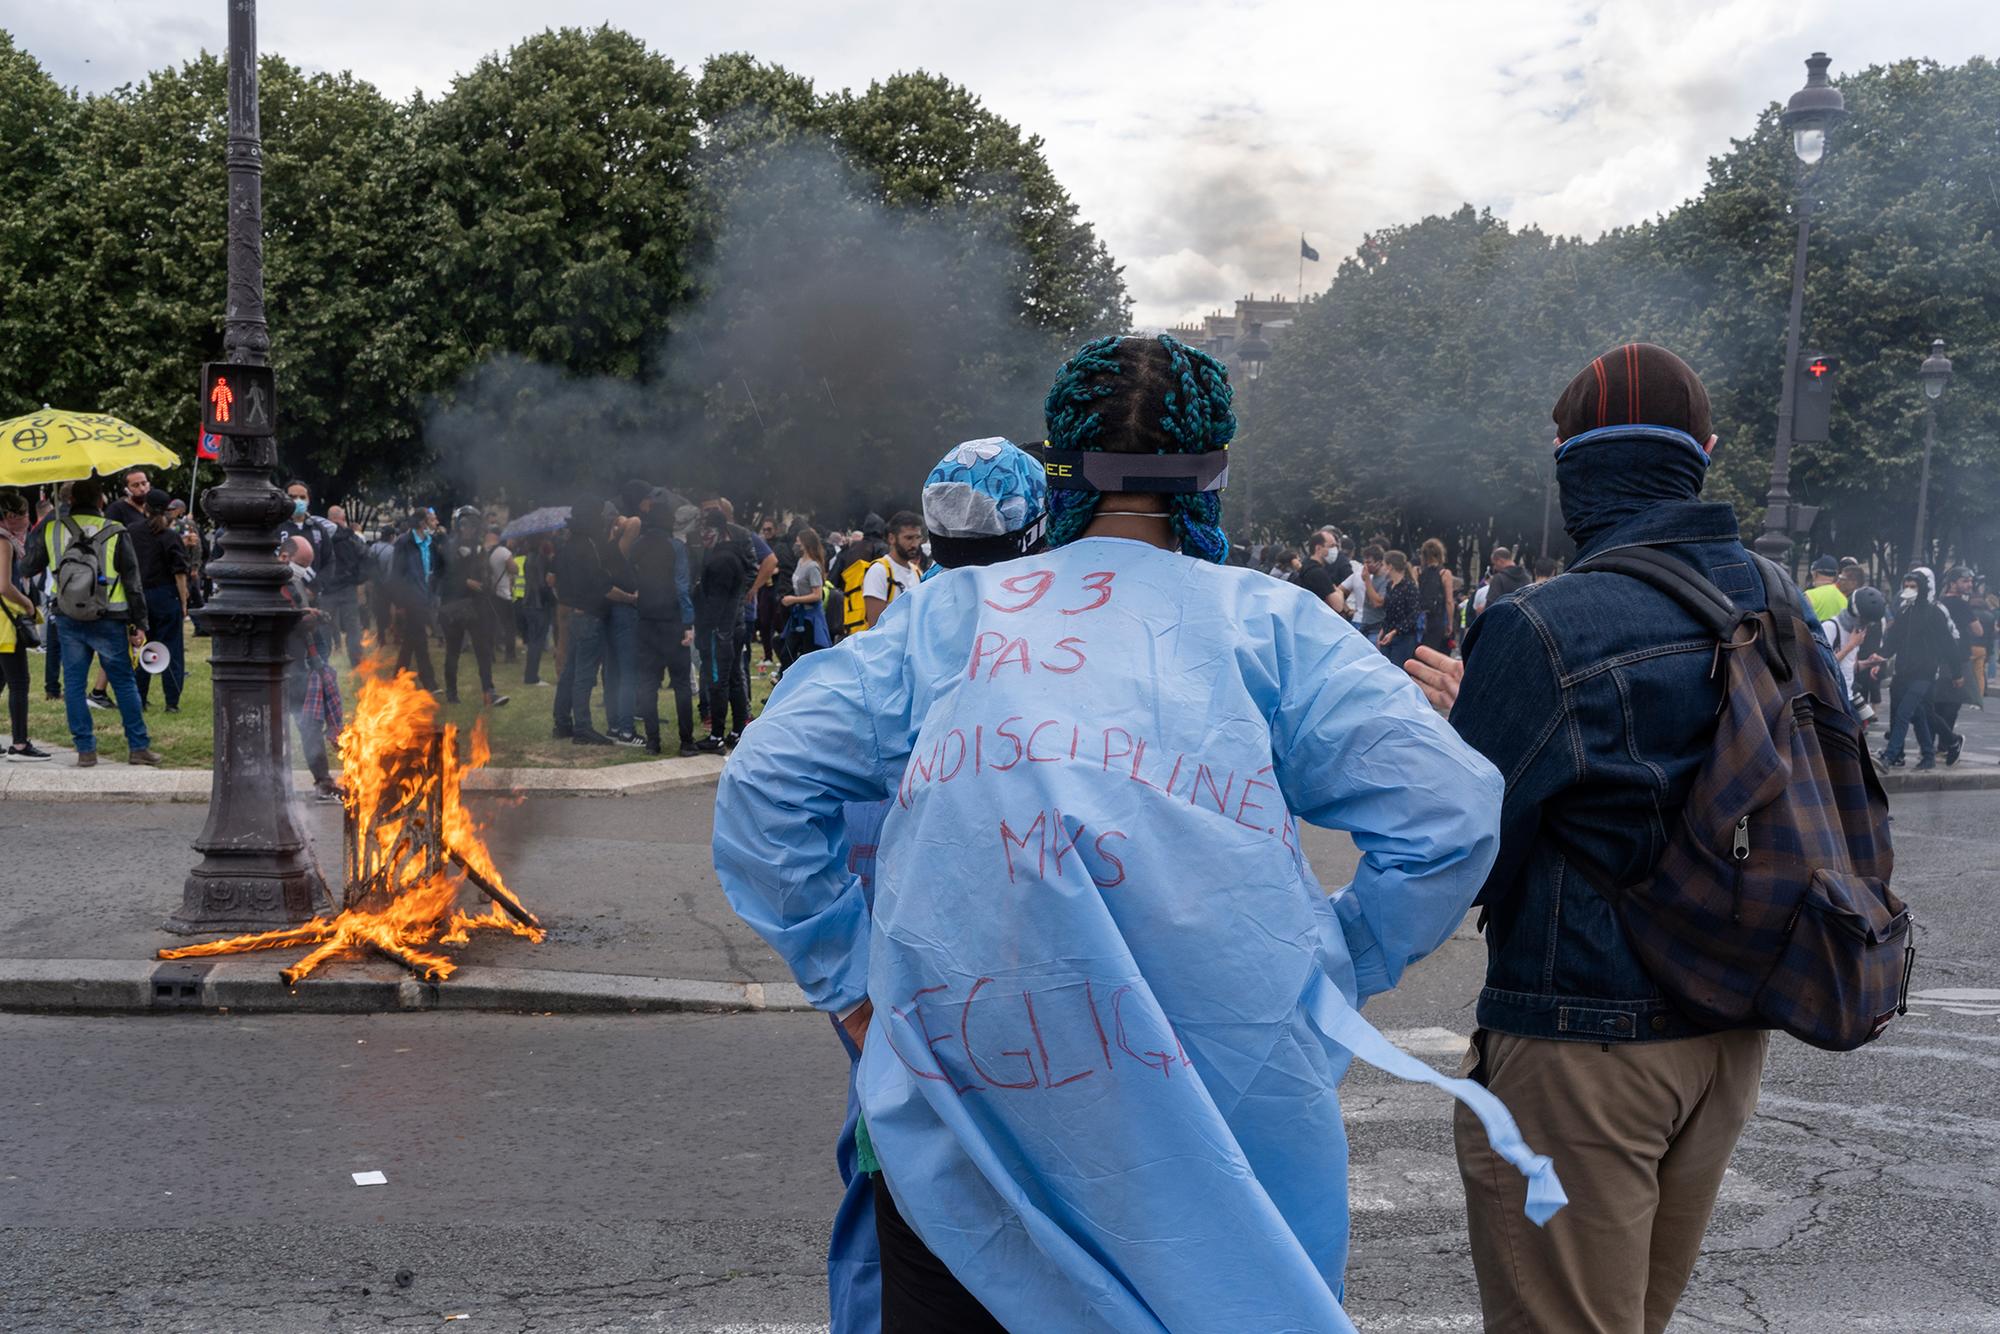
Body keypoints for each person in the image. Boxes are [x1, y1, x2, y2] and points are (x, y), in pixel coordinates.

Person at [716, 334, 1561, 1334]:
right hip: (1221, 1124)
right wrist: (1338, 959)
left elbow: (766, 780)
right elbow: (1451, 809)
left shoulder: (950, 619)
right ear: (1215, 473)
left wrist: (848, 979)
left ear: (1058, 466)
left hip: (971, 1133)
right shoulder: (1268, 624)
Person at [1404, 342, 1833, 1334]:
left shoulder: (1540, 626)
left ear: (1566, 462)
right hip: (1727, 1033)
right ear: (1704, 452)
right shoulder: (1775, 598)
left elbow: (1463, 850)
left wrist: (1467, 728)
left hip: (1582, 1035)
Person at [20, 475, 157, 767]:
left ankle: (85, 750)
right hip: (110, 616)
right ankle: (138, 746)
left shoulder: (54, 528)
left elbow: (28, 566)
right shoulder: (116, 530)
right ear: (100, 500)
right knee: (123, 683)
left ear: (70, 500)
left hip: (68, 616)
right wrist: (140, 623)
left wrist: (40, 529)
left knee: (73, 683)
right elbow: (133, 581)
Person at [627, 489, 697, 757]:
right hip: (673, 621)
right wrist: (688, 622)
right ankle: (686, 741)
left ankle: (653, 741)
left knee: (648, 684)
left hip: (646, 622)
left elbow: (631, 576)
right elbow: (681, 586)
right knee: (680, 683)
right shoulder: (676, 547)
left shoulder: (638, 546)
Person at [279, 536, 343, 802]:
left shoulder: (295, 582)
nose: (304, 569)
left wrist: (312, 617)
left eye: (307, 565)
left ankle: (323, 781)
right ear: (285, 556)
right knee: (279, 728)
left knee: (309, 725)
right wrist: (305, 619)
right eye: (301, 563)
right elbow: (281, 619)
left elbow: (299, 614)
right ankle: (279, 783)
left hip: (300, 663)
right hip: (279, 664)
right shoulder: (269, 584)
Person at [552, 502, 618, 746]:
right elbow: (600, 582)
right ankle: (582, 727)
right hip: (589, 615)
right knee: (584, 674)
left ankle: (561, 722)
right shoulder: (587, 547)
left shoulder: (568, 546)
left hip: (575, 614)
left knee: (570, 670)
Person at [1880, 567, 1958, 770]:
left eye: (1913, 586)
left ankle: (1890, 755)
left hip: (1925, 673)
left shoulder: (1934, 612)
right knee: (1920, 714)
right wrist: (1879, 658)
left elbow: (1949, 643)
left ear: (1922, 588)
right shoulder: (1904, 611)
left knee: (1904, 713)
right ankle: (1929, 755)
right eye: (1906, 585)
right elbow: (1893, 640)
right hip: (1904, 672)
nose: (1908, 589)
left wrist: (1956, 672)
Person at [693, 509, 756, 752]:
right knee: (733, 679)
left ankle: (717, 736)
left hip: (721, 631)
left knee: (718, 681)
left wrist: (703, 628)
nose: (702, 534)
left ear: (720, 530)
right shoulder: (732, 555)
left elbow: (715, 602)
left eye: (706, 529)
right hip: (732, 625)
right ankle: (738, 729)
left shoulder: (722, 560)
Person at [0, 489, 53, 760]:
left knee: (1, 679)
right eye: (24, 514)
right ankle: (19, 744)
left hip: (3, 621)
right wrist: (29, 605)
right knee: (20, 681)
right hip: (7, 621)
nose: (28, 519)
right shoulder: (4, 542)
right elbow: (4, 585)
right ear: (10, 516)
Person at [440, 508, 508, 709]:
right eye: (463, 525)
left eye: (471, 525)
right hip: (453, 606)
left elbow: (484, 573)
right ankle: (452, 693)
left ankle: (489, 691)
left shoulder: (480, 548)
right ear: (458, 526)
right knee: (453, 651)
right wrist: (464, 582)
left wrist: (486, 582)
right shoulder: (449, 547)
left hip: (477, 606)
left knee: (483, 650)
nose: (467, 529)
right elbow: (442, 578)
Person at [129, 491, 191, 712]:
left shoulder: (132, 532)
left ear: (145, 507)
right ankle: (171, 701)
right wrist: (183, 601)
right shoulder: (170, 536)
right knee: (171, 648)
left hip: (139, 595)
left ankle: (139, 697)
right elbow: (180, 573)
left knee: (141, 646)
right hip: (166, 595)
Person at [1935, 567, 1984, 764]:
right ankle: (1946, 744)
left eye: (1970, 582)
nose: (1969, 585)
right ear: (1953, 583)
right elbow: (1978, 630)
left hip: (1938, 657)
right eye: (1965, 581)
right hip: (1959, 657)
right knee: (1953, 703)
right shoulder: (1962, 606)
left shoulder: (1938, 603)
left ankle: (1933, 746)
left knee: (1936, 703)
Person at [388, 509, 441, 690]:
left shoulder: (430, 542)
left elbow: (433, 569)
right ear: (422, 523)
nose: (436, 522)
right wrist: (400, 603)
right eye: (432, 519)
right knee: (420, 641)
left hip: (425, 596)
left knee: (411, 641)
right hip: (411, 598)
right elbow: (396, 574)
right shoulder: (404, 542)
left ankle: (397, 678)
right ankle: (429, 682)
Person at [316, 505, 368, 666]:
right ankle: (357, 662)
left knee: (324, 626)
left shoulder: (320, 536)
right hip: (347, 588)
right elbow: (365, 554)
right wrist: (359, 580)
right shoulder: (350, 537)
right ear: (342, 519)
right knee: (352, 627)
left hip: (326, 589)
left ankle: (322, 662)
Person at [779, 527, 832, 670]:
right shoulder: (800, 562)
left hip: (810, 618)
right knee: (786, 652)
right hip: (798, 615)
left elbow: (817, 595)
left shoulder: (813, 567)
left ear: (806, 544)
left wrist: (794, 600)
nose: (796, 546)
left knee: (810, 655)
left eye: (798, 542)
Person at [860, 512, 923, 630]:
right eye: (909, 538)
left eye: (918, 537)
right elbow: (875, 627)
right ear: (891, 538)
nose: (915, 544)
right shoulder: (879, 571)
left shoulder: (917, 572)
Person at [832, 514, 889, 640]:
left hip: (850, 607)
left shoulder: (848, 550)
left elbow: (833, 578)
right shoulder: (884, 549)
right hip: (875, 606)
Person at [1376, 548, 1420, 665]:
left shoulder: (1409, 587)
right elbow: (1388, 611)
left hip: (1403, 637)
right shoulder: (1390, 585)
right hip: (1388, 634)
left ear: (1390, 566)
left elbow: (1413, 615)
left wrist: (1395, 632)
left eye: (1384, 564)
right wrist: (1383, 630)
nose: (1383, 568)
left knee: (1398, 670)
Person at [1294, 529, 1347, 616]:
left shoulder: (1305, 567)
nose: (1335, 550)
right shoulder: (1318, 572)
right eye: (1332, 546)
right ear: (1318, 548)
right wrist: (1339, 592)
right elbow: (1338, 606)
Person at [1418, 538, 1456, 654]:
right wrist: (1450, 623)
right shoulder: (1445, 573)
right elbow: (1449, 601)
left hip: (1423, 618)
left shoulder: (1418, 572)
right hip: (1439, 618)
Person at [486, 526, 517, 664]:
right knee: (509, 626)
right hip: (503, 594)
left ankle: (490, 654)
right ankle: (510, 655)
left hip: (489, 593)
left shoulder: (484, 551)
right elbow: (514, 569)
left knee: (490, 625)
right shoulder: (504, 552)